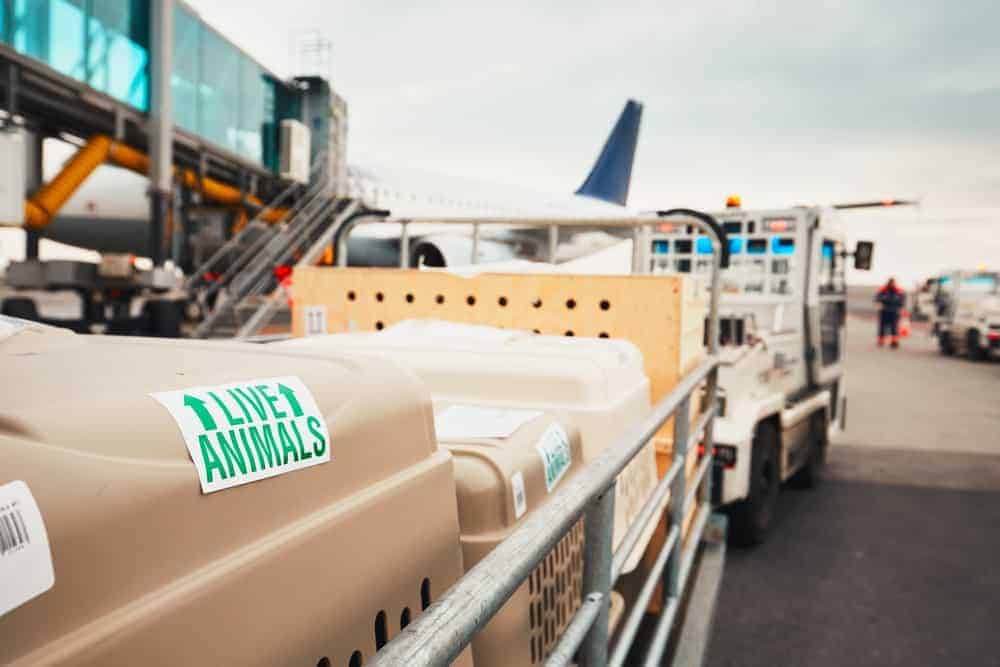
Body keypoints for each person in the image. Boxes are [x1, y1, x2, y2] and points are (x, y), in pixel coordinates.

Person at [875, 277, 905, 348]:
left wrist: (901, 308)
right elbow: (877, 298)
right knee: (882, 327)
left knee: (894, 327)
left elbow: (902, 300)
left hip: (894, 311)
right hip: (884, 311)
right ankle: (881, 340)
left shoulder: (899, 291)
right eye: (891, 282)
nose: (892, 284)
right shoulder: (883, 290)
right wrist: (879, 303)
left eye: (893, 282)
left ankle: (894, 341)